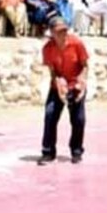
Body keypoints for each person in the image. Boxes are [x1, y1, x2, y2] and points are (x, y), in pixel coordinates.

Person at [38, 16, 90, 165]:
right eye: (59, 32)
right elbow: (52, 71)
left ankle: (76, 151)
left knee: (79, 120)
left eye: (65, 31)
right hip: (58, 85)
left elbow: (85, 65)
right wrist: (58, 82)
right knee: (50, 115)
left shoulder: (77, 43)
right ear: (52, 33)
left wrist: (82, 81)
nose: (63, 34)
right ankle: (48, 152)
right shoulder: (47, 48)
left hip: (76, 84)